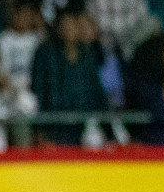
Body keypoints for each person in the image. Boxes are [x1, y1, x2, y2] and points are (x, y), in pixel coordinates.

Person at [30, 9, 108, 146]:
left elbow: (96, 91)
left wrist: (103, 125)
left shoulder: (88, 54)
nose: (69, 29)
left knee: (95, 143)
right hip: (55, 123)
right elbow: (39, 89)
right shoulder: (45, 53)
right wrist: (41, 128)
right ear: (58, 28)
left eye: (72, 25)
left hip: (85, 123)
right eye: (65, 25)